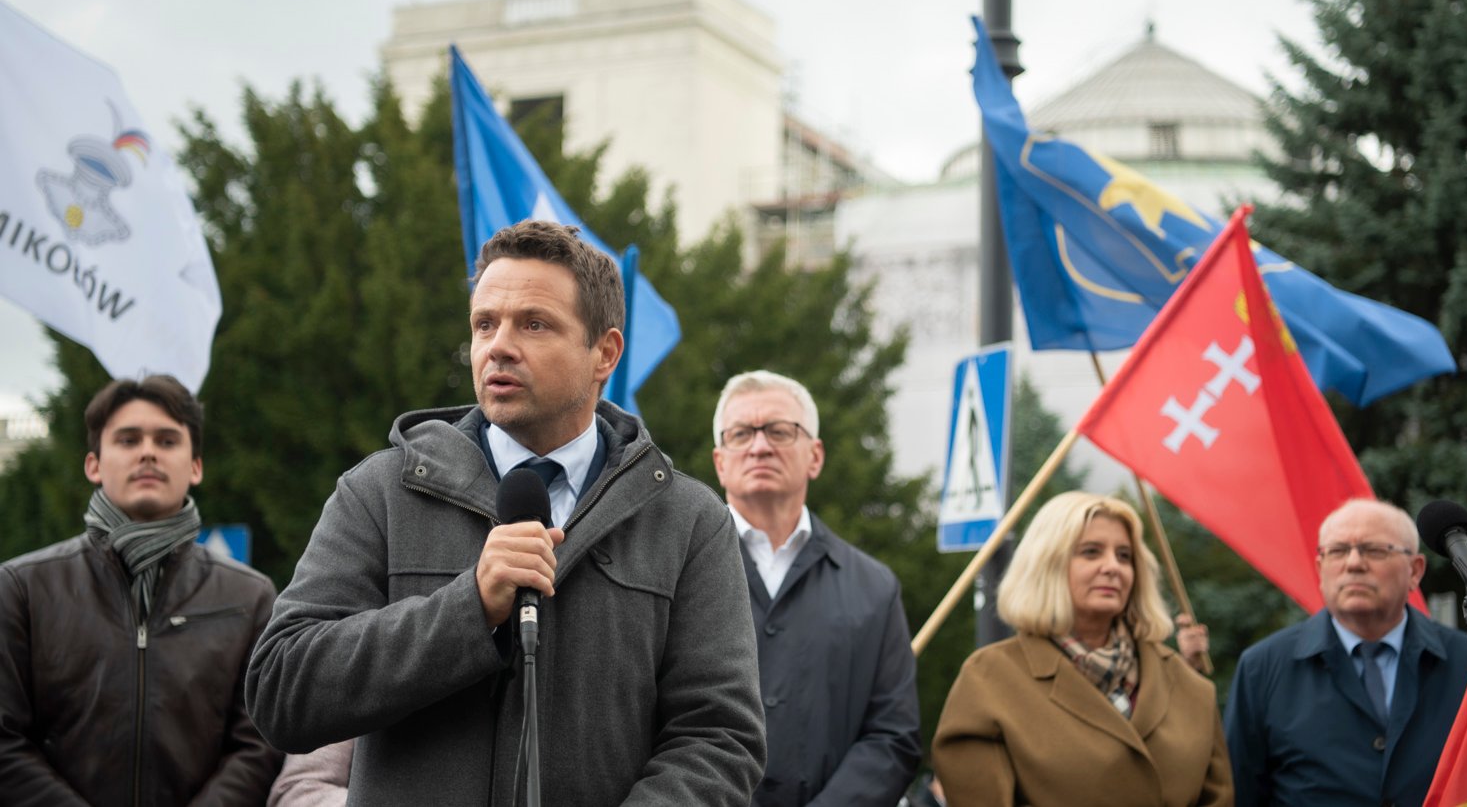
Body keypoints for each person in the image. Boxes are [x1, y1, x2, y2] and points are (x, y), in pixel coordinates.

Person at [247, 219, 766, 805]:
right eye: (484, 324)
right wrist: (467, 609)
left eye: (534, 324)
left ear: (605, 352)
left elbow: (719, 738)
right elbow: (280, 689)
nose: (499, 345)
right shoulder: (380, 492)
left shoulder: (688, 521)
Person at [0, 375, 282, 805]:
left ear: (196, 466)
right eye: (128, 440)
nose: (148, 451)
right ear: (93, 464)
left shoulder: (252, 597)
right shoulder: (21, 588)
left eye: (167, 441)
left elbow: (260, 743)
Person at [932, 491, 1232, 807]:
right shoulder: (989, 679)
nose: (1112, 567)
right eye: (1091, 552)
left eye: (1124, 556)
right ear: (1047, 564)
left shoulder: (1192, 689)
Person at [711, 370, 921, 806]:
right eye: (741, 433)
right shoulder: (673, 574)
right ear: (720, 462)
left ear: (816, 456)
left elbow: (892, 734)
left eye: (780, 431)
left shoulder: (874, 588)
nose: (760, 445)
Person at [1223, 498, 1467, 807]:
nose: (1354, 563)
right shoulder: (1261, 669)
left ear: (1415, 570)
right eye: (1338, 551)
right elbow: (1239, 794)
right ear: (1320, 569)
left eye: (1375, 550)